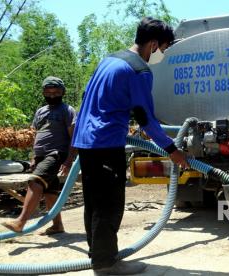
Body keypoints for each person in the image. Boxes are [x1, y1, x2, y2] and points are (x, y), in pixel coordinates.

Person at [71, 17, 189, 276]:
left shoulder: (109, 59)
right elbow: (146, 119)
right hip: (106, 142)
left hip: (86, 141)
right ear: (154, 44)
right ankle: (106, 265)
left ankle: (99, 257)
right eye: (165, 48)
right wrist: (172, 150)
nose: (163, 54)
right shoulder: (139, 70)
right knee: (109, 205)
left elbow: (86, 99)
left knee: (94, 203)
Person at [2, 76, 76, 235]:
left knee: (35, 182)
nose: (52, 96)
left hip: (56, 154)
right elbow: (37, 134)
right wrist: (35, 157)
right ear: (43, 92)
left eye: (56, 92)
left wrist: (69, 160)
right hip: (42, 155)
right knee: (50, 192)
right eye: (48, 92)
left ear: (63, 92)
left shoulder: (67, 110)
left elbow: (74, 137)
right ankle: (57, 225)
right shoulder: (40, 112)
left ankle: (20, 222)